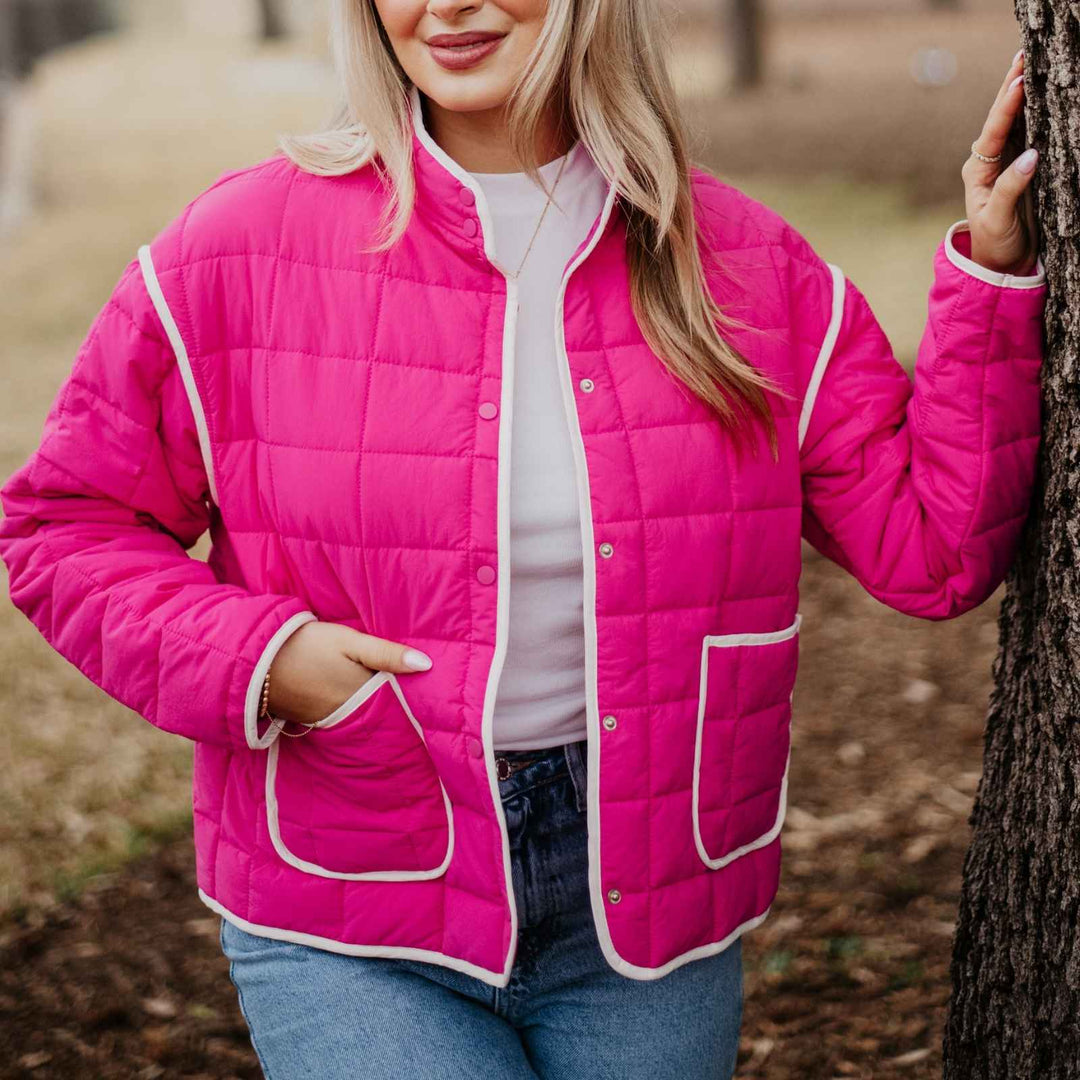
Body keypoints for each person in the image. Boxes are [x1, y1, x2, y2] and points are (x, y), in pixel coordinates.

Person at [0, 0, 1047, 1074]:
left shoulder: (747, 266)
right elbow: (61, 526)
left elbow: (936, 551)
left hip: (647, 896)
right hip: (352, 895)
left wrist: (993, 276)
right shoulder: (232, 251)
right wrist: (266, 664)